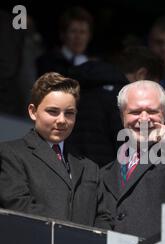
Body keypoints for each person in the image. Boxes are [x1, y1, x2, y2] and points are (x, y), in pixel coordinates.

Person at [95, 80, 165, 239]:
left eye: (152, 111)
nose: (144, 119)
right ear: (122, 116)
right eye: (135, 112)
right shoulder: (104, 172)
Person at [0, 72, 99, 226]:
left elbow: (102, 217)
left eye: (69, 113)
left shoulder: (90, 167)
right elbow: (18, 206)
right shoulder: (10, 154)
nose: (61, 120)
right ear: (33, 111)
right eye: (53, 111)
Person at [66, 46, 165, 167]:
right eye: (153, 85)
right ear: (141, 75)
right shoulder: (123, 102)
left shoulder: (78, 89)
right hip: (105, 179)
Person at [37, 6, 93, 76]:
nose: (78, 37)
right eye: (73, 31)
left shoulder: (95, 65)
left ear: (89, 36)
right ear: (62, 35)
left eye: (82, 32)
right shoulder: (46, 63)